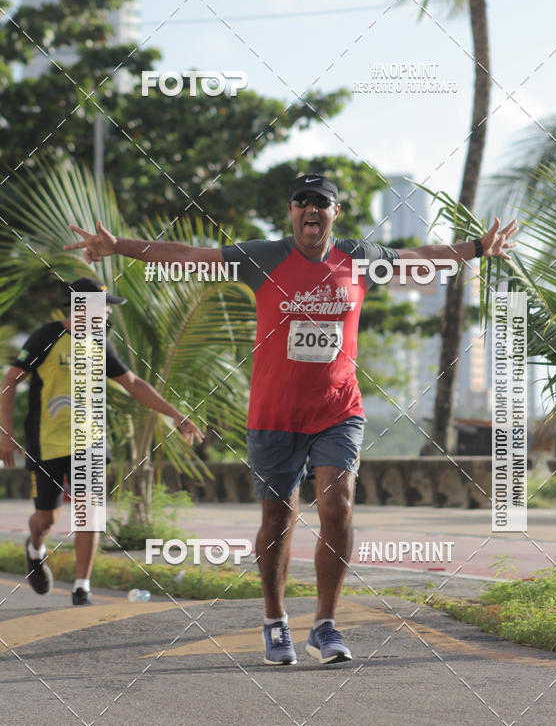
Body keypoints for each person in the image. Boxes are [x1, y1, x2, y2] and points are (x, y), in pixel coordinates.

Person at [64, 174, 517, 658]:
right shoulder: (263, 257)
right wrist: (119, 246)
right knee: (278, 517)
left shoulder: (359, 258)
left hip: (338, 409)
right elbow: (190, 255)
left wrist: (477, 248)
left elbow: (419, 257)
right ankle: (275, 620)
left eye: (322, 202)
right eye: (302, 201)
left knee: (338, 505)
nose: (311, 209)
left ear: (335, 212)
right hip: (274, 413)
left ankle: (325, 625)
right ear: (291, 211)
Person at [0, 277, 203, 605]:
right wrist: (5, 433)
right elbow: (10, 381)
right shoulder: (46, 337)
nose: (108, 313)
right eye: (104, 307)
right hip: (47, 442)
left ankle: (82, 586)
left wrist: (176, 415)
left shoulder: (100, 343)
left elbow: (133, 384)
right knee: (46, 519)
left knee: (89, 512)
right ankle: (35, 548)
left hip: (90, 442)